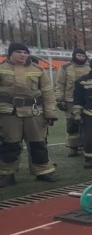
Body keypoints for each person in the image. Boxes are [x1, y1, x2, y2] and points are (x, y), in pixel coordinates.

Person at [0, 43, 58, 187]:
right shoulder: (1, 69)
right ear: (10, 53)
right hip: (9, 113)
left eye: (25, 52)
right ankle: (7, 174)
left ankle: (43, 171)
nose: (23, 55)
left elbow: (48, 93)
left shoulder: (37, 70)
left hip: (34, 113)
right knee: (9, 144)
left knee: (38, 143)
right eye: (19, 52)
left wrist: (50, 112)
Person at [54, 48, 90, 157]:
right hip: (70, 101)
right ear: (74, 56)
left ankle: (86, 145)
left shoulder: (89, 68)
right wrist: (59, 99)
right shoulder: (65, 68)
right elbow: (60, 84)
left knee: (87, 124)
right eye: (79, 55)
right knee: (72, 125)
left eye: (83, 56)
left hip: (86, 100)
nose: (81, 58)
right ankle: (73, 147)